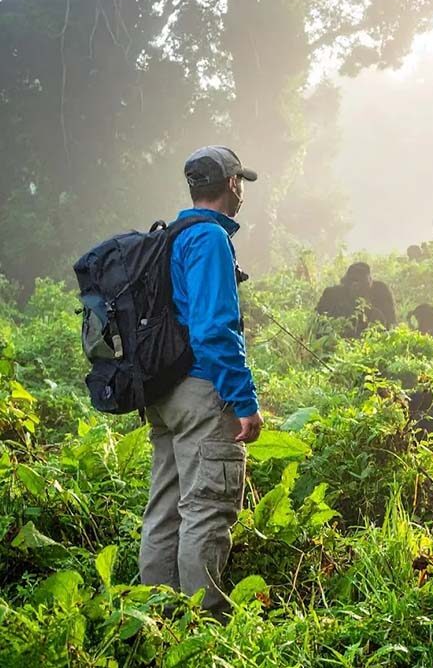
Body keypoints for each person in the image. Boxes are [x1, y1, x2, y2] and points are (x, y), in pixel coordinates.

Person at [138, 146, 264, 621]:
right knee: (207, 508)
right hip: (200, 391)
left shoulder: (172, 235)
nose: (242, 191)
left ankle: (155, 620)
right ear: (232, 185)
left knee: (166, 508)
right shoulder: (210, 238)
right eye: (241, 183)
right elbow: (213, 328)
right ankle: (203, 629)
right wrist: (243, 400)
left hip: (164, 393)